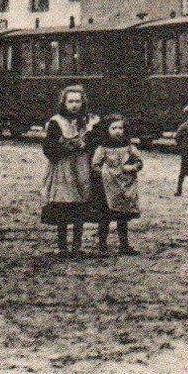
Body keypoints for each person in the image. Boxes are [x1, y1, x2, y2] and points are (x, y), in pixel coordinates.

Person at [41, 85, 102, 256]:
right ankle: (62, 246)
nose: (74, 105)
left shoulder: (89, 122)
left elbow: (96, 142)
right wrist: (65, 148)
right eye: (71, 101)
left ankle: (77, 245)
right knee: (63, 204)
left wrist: (86, 144)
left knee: (80, 204)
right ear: (64, 103)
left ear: (83, 103)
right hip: (63, 167)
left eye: (77, 101)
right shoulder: (56, 122)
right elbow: (49, 148)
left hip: (82, 166)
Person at [93, 115, 143, 254]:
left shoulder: (129, 147)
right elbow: (95, 165)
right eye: (113, 128)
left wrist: (133, 167)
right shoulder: (103, 148)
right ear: (107, 130)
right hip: (107, 187)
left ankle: (124, 245)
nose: (117, 131)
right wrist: (105, 173)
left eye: (120, 128)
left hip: (123, 187)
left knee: (122, 217)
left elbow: (139, 162)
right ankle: (102, 244)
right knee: (105, 216)